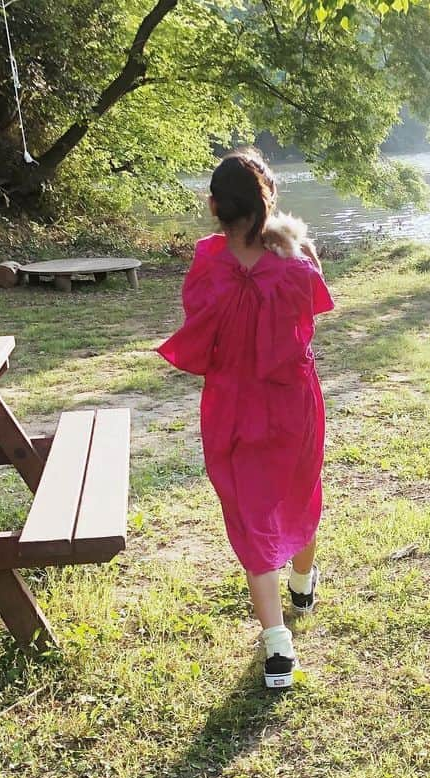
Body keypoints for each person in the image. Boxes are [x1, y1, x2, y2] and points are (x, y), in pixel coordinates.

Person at [158, 149, 334, 689]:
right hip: (291, 402)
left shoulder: (208, 263)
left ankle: (278, 647)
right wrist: (294, 246)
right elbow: (310, 316)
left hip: (233, 408)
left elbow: (201, 329)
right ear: (268, 201)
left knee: (252, 513)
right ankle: (302, 581)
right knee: (300, 490)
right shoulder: (297, 261)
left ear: (213, 206)